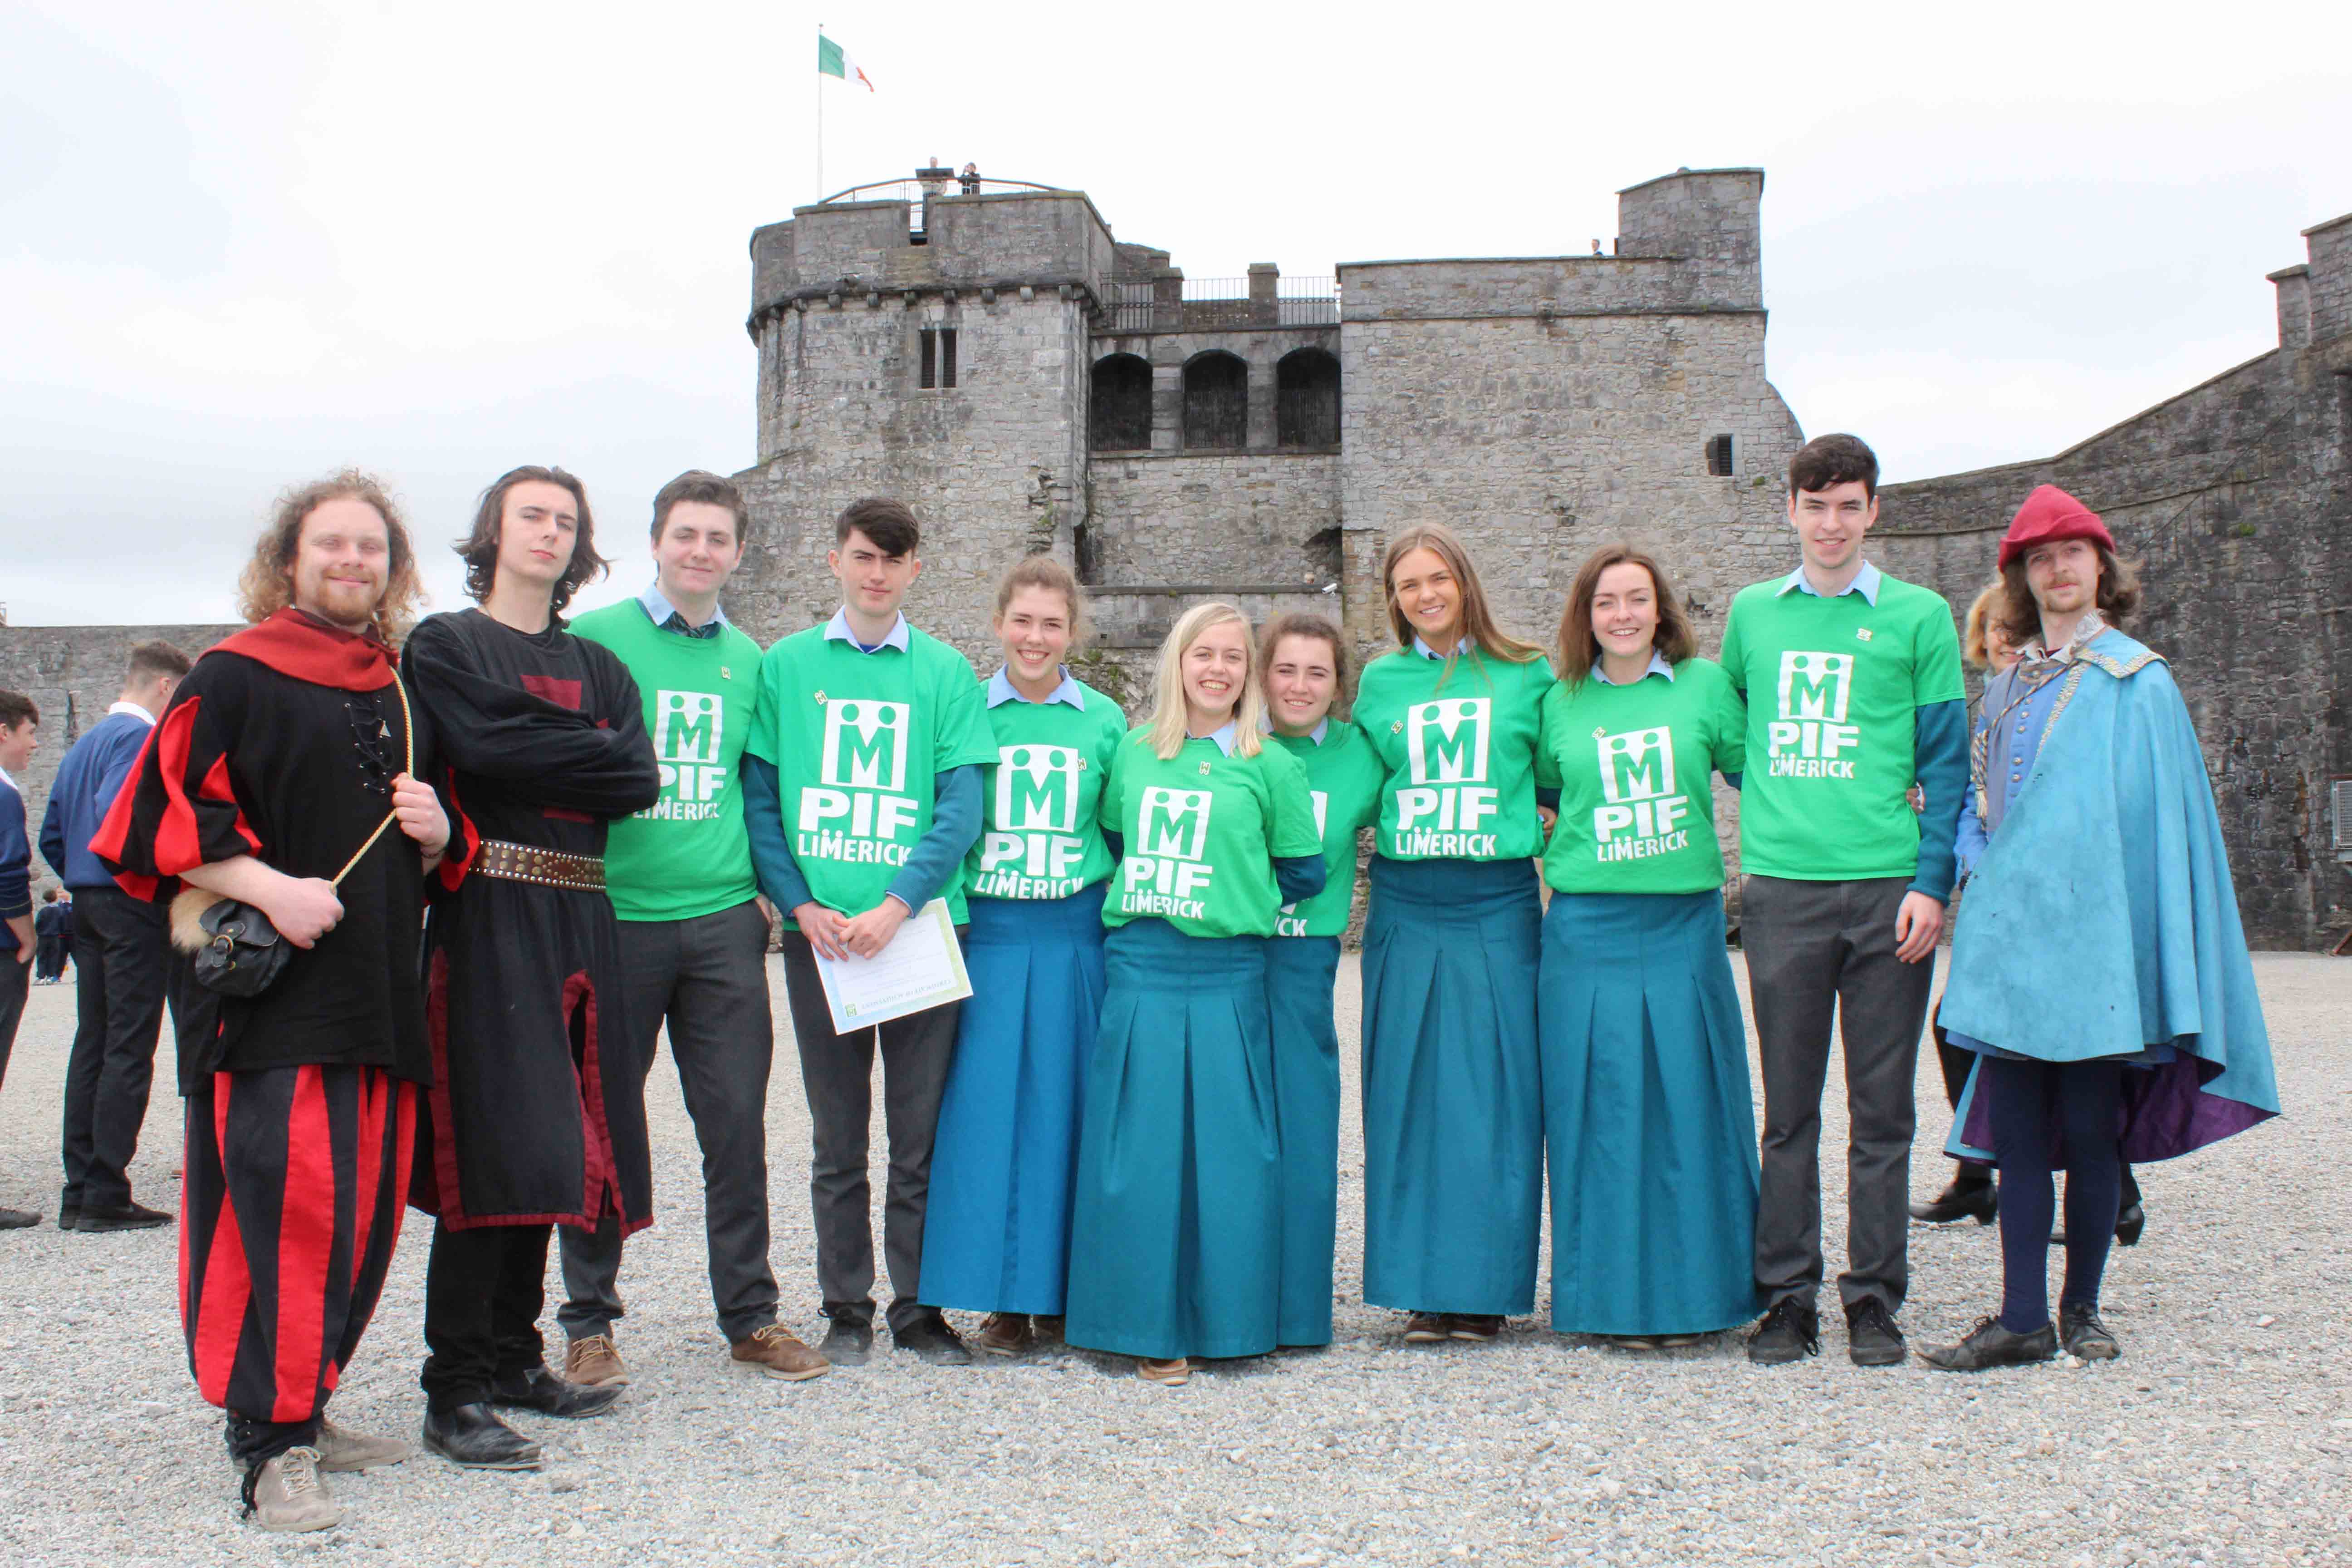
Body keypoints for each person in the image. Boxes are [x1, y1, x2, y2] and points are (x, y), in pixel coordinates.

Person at [87, 471, 451, 1529]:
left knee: (362, 1214)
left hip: (378, 991)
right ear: (289, 558)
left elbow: (424, 843)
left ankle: (312, 1397)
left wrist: (437, 831)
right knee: (283, 1212)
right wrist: (268, 887)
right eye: (331, 543)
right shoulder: (234, 674)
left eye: (370, 546)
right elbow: (152, 816)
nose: (352, 560)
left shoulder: (393, 685)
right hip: (274, 1001)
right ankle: (267, 1440)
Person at [1921, 488, 2277, 1370]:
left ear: (2100, 568)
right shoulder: (2004, 687)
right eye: (2041, 559)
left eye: (2074, 553)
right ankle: (2020, 1318)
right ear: (2021, 579)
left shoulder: (2138, 681)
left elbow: (2161, 826)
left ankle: (2082, 1312)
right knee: (2019, 1137)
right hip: (2010, 941)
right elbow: (1977, 802)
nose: (2059, 568)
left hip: (2093, 946)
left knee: (2089, 1131)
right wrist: (1974, 861)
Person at [402, 465, 661, 1469]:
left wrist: (541, 748)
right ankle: (454, 1385)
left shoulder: (602, 670)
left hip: (584, 910)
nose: (549, 534)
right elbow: (468, 737)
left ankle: (514, 1357)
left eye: (566, 522)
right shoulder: (446, 646)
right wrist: (577, 750)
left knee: (560, 1143)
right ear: (494, 533)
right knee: (489, 1142)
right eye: (531, 517)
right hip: (490, 906)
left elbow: (635, 777)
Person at [555, 471, 827, 1387]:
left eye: (718, 538)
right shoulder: (594, 639)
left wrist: (768, 895)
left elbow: (764, 789)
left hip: (720, 925)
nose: (701, 551)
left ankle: (750, 1314)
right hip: (616, 919)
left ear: (738, 552)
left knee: (736, 1127)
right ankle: (588, 1322)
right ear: (658, 540)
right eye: (686, 535)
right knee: (601, 1125)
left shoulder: (752, 660)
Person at [1717, 433, 1967, 1369]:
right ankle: (1788, 1296)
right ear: (1790, 510)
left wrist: (1932, 882)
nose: (1832, 524)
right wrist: (1783, 794)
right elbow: (1731, 731)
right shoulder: (1753, 615)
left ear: (1873, 512)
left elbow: (1944, 760)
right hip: (1783, 891)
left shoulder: (1920, 617)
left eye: (1849, 506)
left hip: (1885, 895)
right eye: (1815, 506)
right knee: (1788, 1110)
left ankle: (1873, 1297)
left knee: (1883, 1108)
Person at [741, 496, 995, 1367]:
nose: (875, 573)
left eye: (892, 559)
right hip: (822, 942)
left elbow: (963, 803)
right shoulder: (786, 666)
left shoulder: (945, 672)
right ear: (835, 560)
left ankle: (915, 1308)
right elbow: (761, 798)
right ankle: (845, 1305)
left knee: (917, 1135)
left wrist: (898, 902)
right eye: (861, 556)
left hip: (918, 932)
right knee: (836, 1135)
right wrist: (799, 903)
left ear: (915, 568)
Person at [1065, 602, 1324, 1384]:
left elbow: (1301, 870)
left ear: (1248, 672)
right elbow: (1115, 840)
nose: (1216, 669)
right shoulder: (1135, 751)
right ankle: (1144, 1327)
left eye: (1232, 657)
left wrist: (1226, 893)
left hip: (1226, 976)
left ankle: (1231, 1323)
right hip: (1142, 968)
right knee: (1137, 1155)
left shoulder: (1271, 763)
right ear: (1177, 663)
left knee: (1230, 1157)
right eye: (1201, 654)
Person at [1533, 545, 1759, 1349]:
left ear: (1659, 609)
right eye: (1605, 603)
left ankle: (1702, 1296)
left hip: (1680, 926)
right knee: (1598, 1111)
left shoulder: (1704, 690)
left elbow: (1761, 777)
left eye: (1635, 600)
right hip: (1586, 929)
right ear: (1584, 617)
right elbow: (1538, 794)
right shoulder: (1557, 701)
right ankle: (1607, 1302)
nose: (1621, 616)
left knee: (1691, 1106)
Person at [1348, 524, 1554, 1345]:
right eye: (1407, 585)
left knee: (1495, 1095)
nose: (1425, 595)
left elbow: (1560, 777)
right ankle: (1420, 1286)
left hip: (1493, 900)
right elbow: (1351, 780)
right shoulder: (1379, 681)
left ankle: (1484, 1289)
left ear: (1463, 580)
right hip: (1406, 897)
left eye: (1437, 578)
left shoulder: (1527, 671)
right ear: (1392, 600)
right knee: (1407, 1093)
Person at [919, 557, 1128, 1356]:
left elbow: (1116, 830)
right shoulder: (967, 711)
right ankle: (1002, 1294)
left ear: (1072, 631)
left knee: (1071, 1115)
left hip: (1074, 933)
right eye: (1022, 621)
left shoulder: (1103, 719)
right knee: (987, 1118)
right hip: (994, 936)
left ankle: (1068, 1291)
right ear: (999, 622)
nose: (1035, 638)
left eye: (1052, 624)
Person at [1258, 613, 1384, 1350]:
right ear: (1262, 673)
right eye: (1285, 669)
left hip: (1304, 959)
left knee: (1304, 1135)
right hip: (1231, 961)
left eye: (1315, 672)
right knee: (1234, 1134)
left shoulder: (1357, 758)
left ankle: (1298, 1308)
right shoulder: (1231, 746)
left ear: (1337, 686)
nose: (1298, 686)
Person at [40, 638, 192, 1232]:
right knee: (131, 1043)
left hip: (87, 899)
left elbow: (55, 832)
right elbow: (120, 812)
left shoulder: (83, 747)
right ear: (163, 686)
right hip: (130, 900)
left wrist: (84, 874)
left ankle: (80, 1186)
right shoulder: (137, 738)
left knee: (94, 1041)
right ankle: (106, 1189)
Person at [1911, 583, 2014, 1229]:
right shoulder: (1992, 709)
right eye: (1995, 628)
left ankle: (2115, 1187)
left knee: (2061, 1036)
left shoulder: (2057, 701)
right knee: (1958, 1026)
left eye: (2016, 626)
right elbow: (1971, 801)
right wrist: (1975, 857)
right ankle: (1977, 1171)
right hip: (1992, 893)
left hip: (2044, 894)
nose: (2003, 638)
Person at [0, 691, 38, 1230]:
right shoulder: (5, 795)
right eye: (29, 731)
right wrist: (27, 937)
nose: (34, 744)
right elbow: (7, 871)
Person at [34, 890, 71, 984]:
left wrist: (39, 932)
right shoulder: (60, 911)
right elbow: (63, 924)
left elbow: (38, 924)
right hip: (56, 937)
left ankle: (41, 977)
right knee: (54, 957)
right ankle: (51, 976)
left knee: (42, 956)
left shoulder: (43, 911)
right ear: (56, 898)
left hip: (43, 937)